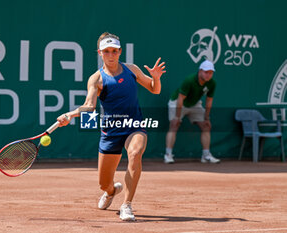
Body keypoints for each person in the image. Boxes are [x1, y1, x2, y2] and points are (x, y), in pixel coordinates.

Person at [57, 32, 166, 221]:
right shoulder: (96, 79)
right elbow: (90, 106)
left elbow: (155, 89)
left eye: (114, 51)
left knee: (135, 153)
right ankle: (110, 191)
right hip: (110, 132)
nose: (111, 55)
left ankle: (127, 205)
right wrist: (70, 114)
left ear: (120, 51)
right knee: (104, 184)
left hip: (134, 125)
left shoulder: (132, 70)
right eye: (106, 51)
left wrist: (156, 77)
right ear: (100, 53)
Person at [164, 60, 220, 164]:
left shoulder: (212, 83)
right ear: (200, 71)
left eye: (211, 72)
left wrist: (207, 118)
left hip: (194, 104)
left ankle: (206, 155)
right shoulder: (189, 80)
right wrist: (177, 117)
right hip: (177, 102)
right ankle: (168, 155)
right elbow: (180, 98)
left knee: (206, 126)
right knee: (174, 125)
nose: (208, 75)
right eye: (206, 72)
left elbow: (209, 101)